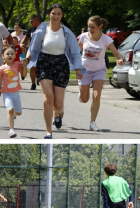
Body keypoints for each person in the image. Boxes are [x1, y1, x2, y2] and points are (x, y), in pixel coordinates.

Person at [23, 3, 84, 139]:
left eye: (59, 14)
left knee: (57, 104)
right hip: (44, 62)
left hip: (61, 64)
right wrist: (27, 60)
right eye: (53, 13)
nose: (56, 16)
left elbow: (75, 52)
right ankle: (48, 132)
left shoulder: (66, 32)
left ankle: (57, 113)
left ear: (62, 16)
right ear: (49, 14)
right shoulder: (41, 30)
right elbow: (32, 48)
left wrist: (78, 68)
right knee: (48, 98)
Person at [78, 15, 123, 131]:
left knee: (96, 96)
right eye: (89, 27)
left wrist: (119, 59)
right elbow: (76, 51)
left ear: (100, 27)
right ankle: (82, 93)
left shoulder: (106, 39)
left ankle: (92, 122)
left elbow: (116, 53)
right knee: (84, 99)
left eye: (92, 27)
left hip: (99, 70)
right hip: (85, 70)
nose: (90, 30)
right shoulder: (83, 37)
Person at [0, 45, 27, 138]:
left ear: (15, 55)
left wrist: (24, 66)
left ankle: (15, 114)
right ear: (3, 56)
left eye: (12, 53)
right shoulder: (2, 68)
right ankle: (11, 131)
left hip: (15, 93)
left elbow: (24, 74)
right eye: (7, 54)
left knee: (18, 113)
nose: (10, 55)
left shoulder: (17, 64)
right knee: (10, 110)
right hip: (6, 93)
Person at [20, 14, 41, 90]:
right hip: (33, 50)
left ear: (36, 20)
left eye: (31, 21)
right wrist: (22, 43)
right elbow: (26, 38)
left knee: (40, 66)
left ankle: (40, 78)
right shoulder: (31, 29)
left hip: (42, 50)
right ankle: (33, 83)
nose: (30, 23)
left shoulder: (43, 28)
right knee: (32, 67)